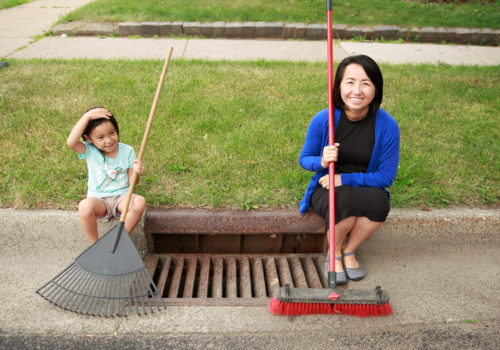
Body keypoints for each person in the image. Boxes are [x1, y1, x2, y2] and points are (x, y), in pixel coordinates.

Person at [299, 55, 400, 284]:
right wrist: (322, 162)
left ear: (376, 89)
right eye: (350, 82)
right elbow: (305, 159)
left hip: (360, 185)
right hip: (326, 187)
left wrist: (344, 179)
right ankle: (332, 253)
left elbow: (386, 177)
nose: (357, 90)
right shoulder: (324, 119)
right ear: (339, 87)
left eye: (365, 83)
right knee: (343, 201)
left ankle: (349, 250)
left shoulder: (387, 126)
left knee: (379, 203)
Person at [67, 107, 146, 244]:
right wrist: (87, 117)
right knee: (84, 206)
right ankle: (96, 245)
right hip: (98, 200)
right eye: (101, 137)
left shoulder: (127, 151)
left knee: (139, 202)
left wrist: (136, 172)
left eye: (112, 133)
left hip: (122, 199)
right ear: (88, 139)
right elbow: (71, 143)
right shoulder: (89, 150)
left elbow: (132, 180)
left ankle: (119, 240)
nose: (109, 140)